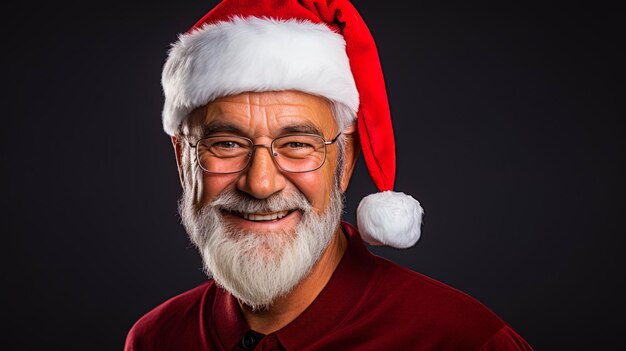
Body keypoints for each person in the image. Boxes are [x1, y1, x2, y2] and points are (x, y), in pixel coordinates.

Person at [125, 0, 533, 350]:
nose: (261, 183)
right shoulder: (155, 339)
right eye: (227, 144)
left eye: (297, 144)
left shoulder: (463, 341)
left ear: (345, 159)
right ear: (183, 159)